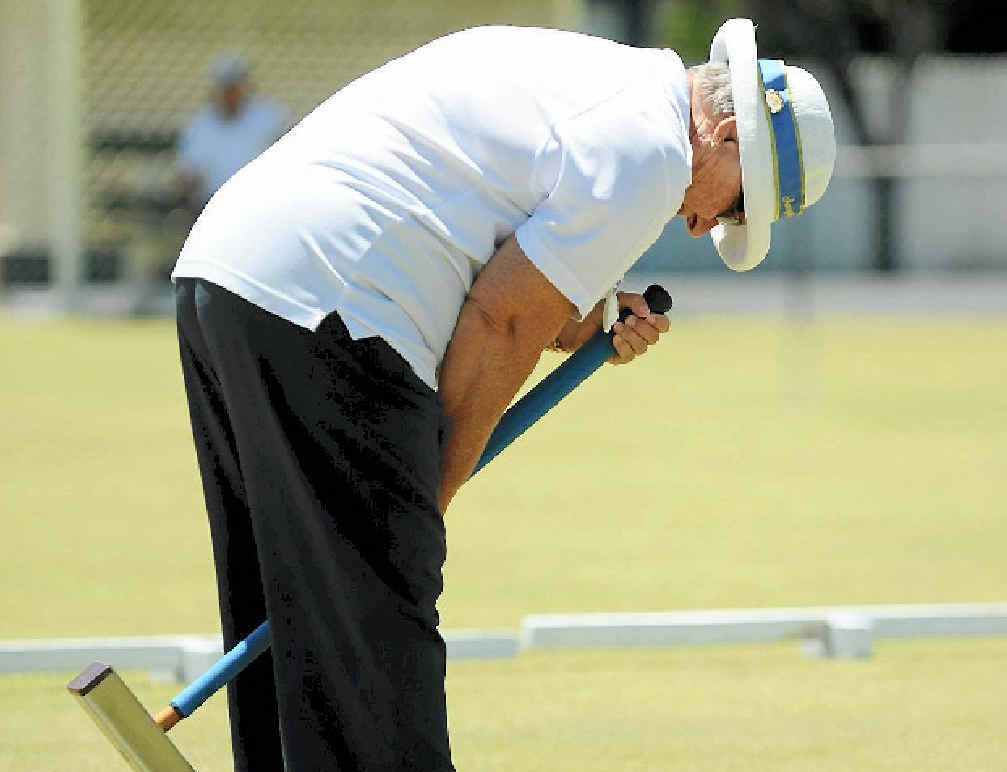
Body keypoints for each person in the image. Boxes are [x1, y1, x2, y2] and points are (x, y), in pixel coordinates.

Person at [171, 19, 835, 772]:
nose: (701, 224)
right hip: (333, 303)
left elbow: (502, 261)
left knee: (292, 599)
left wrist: (587, 315)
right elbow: (504, 319)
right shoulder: (653, 151)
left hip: (228, 273)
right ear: (727, 136)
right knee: (375, 635)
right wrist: (417, 512)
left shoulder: (604, 81)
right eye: (737, 206)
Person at [176, 53, 288, 218]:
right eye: (226, 87)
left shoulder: (269, 118)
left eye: (234, 86)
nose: (230, 93)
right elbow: (189, 173)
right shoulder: (200, 125)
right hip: (212, 206)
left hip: (261, 203)